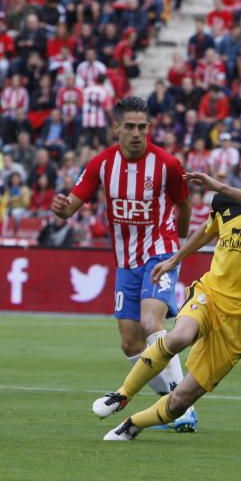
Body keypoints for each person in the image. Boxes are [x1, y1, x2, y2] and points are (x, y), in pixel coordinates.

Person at [91, 136, 241, 441]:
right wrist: (174, 260)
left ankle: (132, 425)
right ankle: (121, 394)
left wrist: (221, 186)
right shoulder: (224, 203)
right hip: (212, 293)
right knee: (179, 337)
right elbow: (207, 229)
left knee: (183, 398)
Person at [51, 96, 197, 432]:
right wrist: (61, 208)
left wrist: (178, 249)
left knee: (150, 322)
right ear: (116, 127)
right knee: (130, 342)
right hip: (126, 261)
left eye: (141, 127)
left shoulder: (167, 164)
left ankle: (182, 406)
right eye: (129, 126)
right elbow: (71, 206)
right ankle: (169, 404)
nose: (135, 133)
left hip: (161, 252)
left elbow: (184, 205)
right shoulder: (102, 164)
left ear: (149, 129)